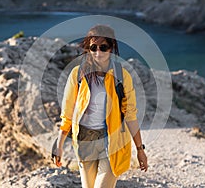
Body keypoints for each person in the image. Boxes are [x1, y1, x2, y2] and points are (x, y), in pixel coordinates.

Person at [54, 24, 148, 188]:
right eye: (93, 47)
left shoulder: (122, 76)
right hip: (85, 141)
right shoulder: (78, 74)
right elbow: (67, 113)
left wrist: (140, 149)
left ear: (112, 48)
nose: (98, 52)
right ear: (88, 48)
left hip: (112, 142)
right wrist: (59, 145)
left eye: (103, 47)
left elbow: (130, 115)